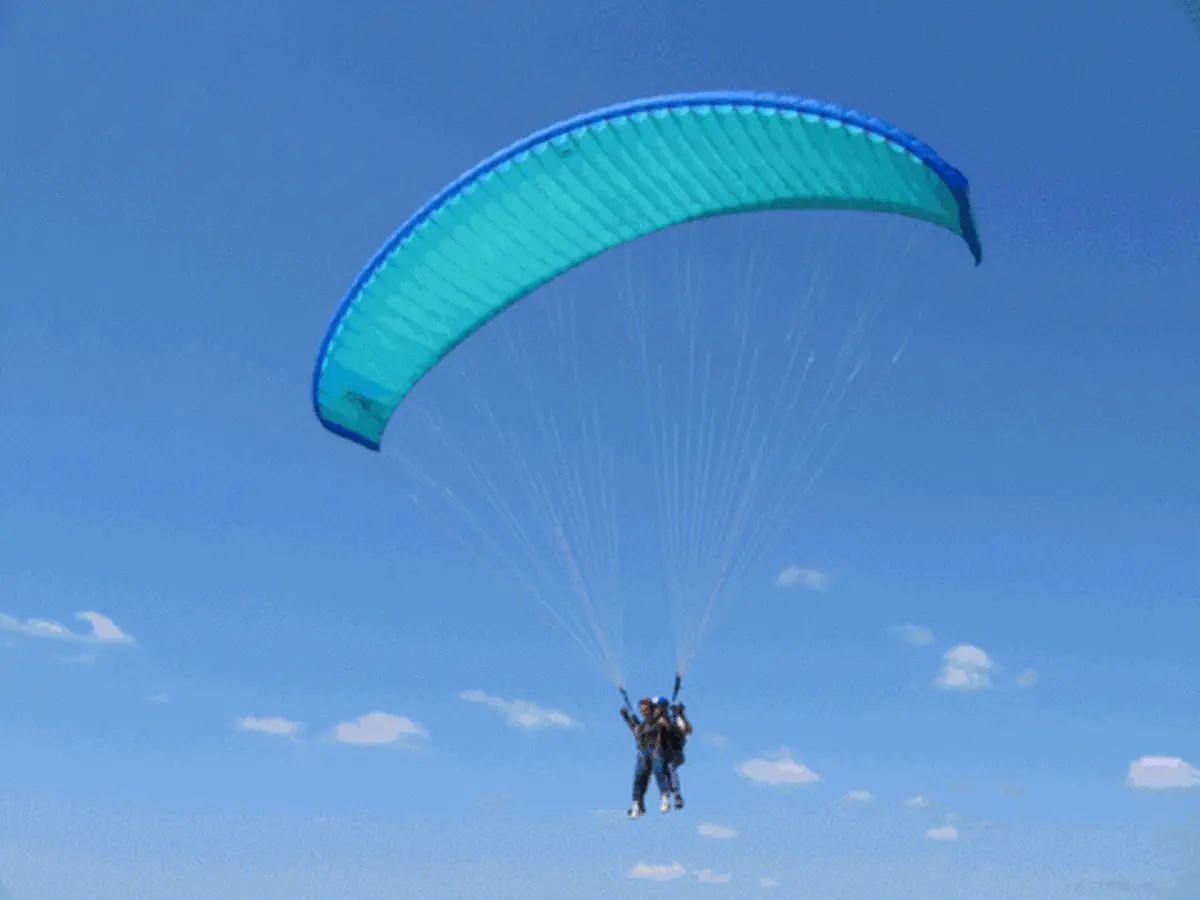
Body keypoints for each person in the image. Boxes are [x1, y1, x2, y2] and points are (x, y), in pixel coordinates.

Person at [620, 696, 672, 818]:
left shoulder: (659, 721)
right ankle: (636, 805)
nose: (643, 711)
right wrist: (627, 718)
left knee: (659, 771)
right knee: (639, 777)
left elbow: (667, 728)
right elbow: (635, 731)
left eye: (646, 708)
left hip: (656, 750)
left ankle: (664, 798)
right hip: (643, 752)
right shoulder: (642, 725)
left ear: (651, 709)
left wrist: (663, 715)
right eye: (641, 709)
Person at [658, 698, 692, 810]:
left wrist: (681, 714)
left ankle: (676, 795)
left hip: (676, 753)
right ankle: (668, 796)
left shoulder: (675, 718)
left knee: (670, 767)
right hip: (663, 754)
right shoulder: (657, 720)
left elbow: (688, 730)